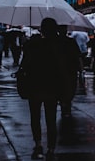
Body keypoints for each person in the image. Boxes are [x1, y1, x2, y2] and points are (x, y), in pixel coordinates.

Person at [20, 17, 77, 159]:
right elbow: (66, 67)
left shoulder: (33, 44)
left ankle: (38, 142)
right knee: (51, 118)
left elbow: (25, 64)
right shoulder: (60, 45)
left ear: (42, 29)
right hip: (52, 87)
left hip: (34, 86)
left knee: (35, 117)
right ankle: (51, 147)